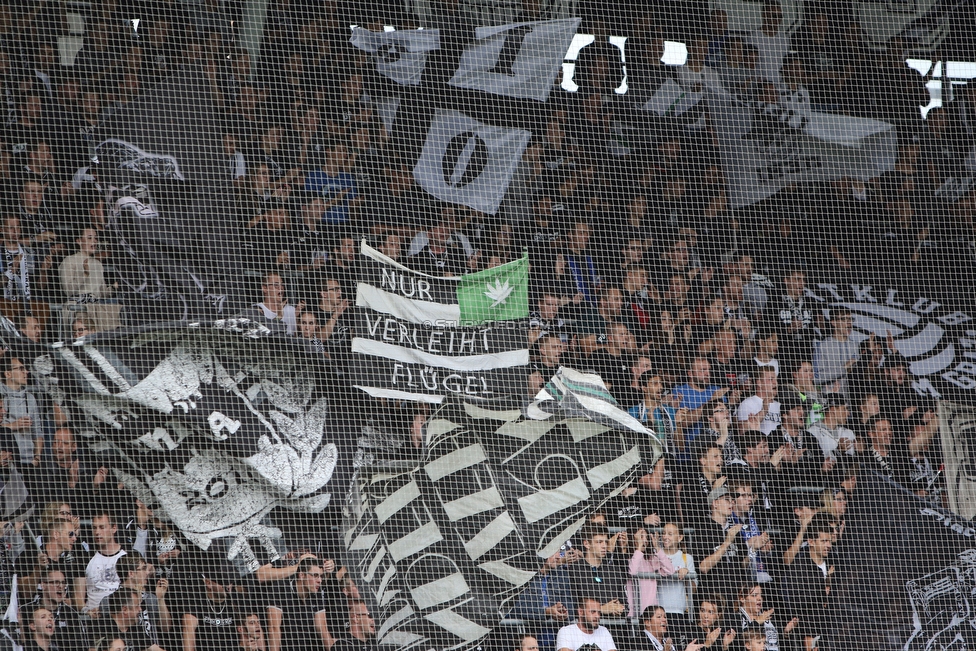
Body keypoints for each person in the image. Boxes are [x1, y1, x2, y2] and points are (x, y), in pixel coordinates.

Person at [784, 515, 835, 651]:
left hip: (835, 625)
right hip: (810, 625)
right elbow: (794, 601)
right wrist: (822, 589)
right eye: (824, 541)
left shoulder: (836, 562)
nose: (828, 545)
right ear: (811, 542)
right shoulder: (800, 566)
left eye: (829, 541)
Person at [688, 487, 746, 602]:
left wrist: (753, 548)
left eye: (732, 500)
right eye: (727, 499)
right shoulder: (703, 530)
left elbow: (743, 563)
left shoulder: (734, 529)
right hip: (712, 597)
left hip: (735, 596)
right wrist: (727, 542)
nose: (732, 503)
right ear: (715, 503)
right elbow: (703, 567)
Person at [266, 557, 337, 651]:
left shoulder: (317, 592)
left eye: (321, 576)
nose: (320, 580)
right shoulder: (280, 589)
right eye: (315, 575)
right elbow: (274, 628)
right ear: (302, 575)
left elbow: (322, 628)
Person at [58, 227, 120, 332]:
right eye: (90, 238)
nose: (94, 241)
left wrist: (114, 288)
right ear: (78, 241)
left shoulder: (98, 264)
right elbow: (68, 290)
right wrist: (85, 275)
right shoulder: (69, 260)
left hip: (96, 307)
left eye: (95, 238)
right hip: (77, 307)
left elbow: (101, 292)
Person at [565, 524, 628, 617]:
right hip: (586, 629)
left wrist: (619, 608)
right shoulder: (574, 571)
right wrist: (601, 609)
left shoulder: (614, 570)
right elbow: (572, 607)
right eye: (599, 542)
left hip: (614, 628)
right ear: (586, 544)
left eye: (606, 542)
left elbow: (626, 606)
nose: (604, 546)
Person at [23, 569, 87, 651]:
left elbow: (80, 646)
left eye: (63, 582)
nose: (60, 586)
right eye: (55, 582)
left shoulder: (70, 614)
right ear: (43, 585)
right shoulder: (26, 611)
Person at [0, 356, 44, 466]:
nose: (26, 372)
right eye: (21, 369)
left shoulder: (30, 398)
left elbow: (37, 431)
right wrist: (13, 425)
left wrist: (37, 458)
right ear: (8, 374)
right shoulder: (1, 397)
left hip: (29, 462)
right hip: (7, 461)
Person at [673, 358, 728, 446]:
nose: (707, 374)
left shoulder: (717, 390)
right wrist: (711, 401)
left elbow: (726, 420)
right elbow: (682, 422)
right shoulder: (680, 391)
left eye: (709, 370)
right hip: (690, 447)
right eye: (703, 370)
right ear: (690, 373)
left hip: (718, 444)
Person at [89, 588, 166, 651]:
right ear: (125, 610)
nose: (140, 609)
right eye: (137, 606)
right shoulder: (99, 628)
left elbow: (155, 649)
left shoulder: (135, 628)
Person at [182, 567, 238, 651]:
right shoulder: (196, 601)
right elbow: (188, 632)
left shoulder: (234, 603)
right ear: (209, 583)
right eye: (224, 582)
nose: (229, 586)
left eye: (231, 582)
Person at [116, 554, 171, 638]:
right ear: (131, 573)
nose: (148, 572)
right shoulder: (112, 600)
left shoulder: (150, 598)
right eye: (143, 569)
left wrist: (160, 599)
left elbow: (166, 628)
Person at [628, 528, 676, 618]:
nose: (644, 540)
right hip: (633, 611)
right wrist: (639, 548)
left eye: (646, 537)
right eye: (641, 537)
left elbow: (670, 570)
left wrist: (657, 548)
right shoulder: (628, 558)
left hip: (650, 612)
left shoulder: (651, 559)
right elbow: (633, 571)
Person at [236, 272, 303, 336]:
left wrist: (297, 318)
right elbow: (261, 333)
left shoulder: (292, 310)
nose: (281, 288)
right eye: (276, 285)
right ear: (265, 288)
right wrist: (279, 316)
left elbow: (297, 336)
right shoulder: (256, 310)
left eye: (282, 284)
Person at [85, 510, 126, 612]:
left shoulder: (127, 556)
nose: (97, 532)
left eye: (102, 527)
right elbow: (78, 597)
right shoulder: (86, 558)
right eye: (94, 528)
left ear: (114, 528)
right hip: (93, 619)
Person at [736, 583, 797, 651]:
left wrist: (785, 633)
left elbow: (780, 645)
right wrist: (757, 622)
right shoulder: (736, 618)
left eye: (761, 595)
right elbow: (738, 641)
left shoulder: (769, 618)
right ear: (742, 599)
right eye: (754, 595)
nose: (759, 598)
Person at [813, 308, 859, 397]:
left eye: (850, 319)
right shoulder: (822, 346)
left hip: (851, 402)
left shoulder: (855, 346)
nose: (849, 324)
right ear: (833, 322)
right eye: (844, 319)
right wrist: (843, 369)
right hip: (829, 400)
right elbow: (816, 378)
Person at [657, 523, 696, 618]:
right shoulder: (656, 555)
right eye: (664, 533)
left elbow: (693, 589)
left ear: (680, 537)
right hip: (657, 611)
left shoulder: (687, 558)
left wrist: (687, 575)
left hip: (679, 611)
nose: (665, 536)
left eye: (670, 534)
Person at [806, 395, 858, 463]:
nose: (848, 413)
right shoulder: (812, 432)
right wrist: (838, 450)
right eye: (844, 409)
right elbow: (816, 463)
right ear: (833, 410)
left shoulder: (849, 433)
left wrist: (860, 451)